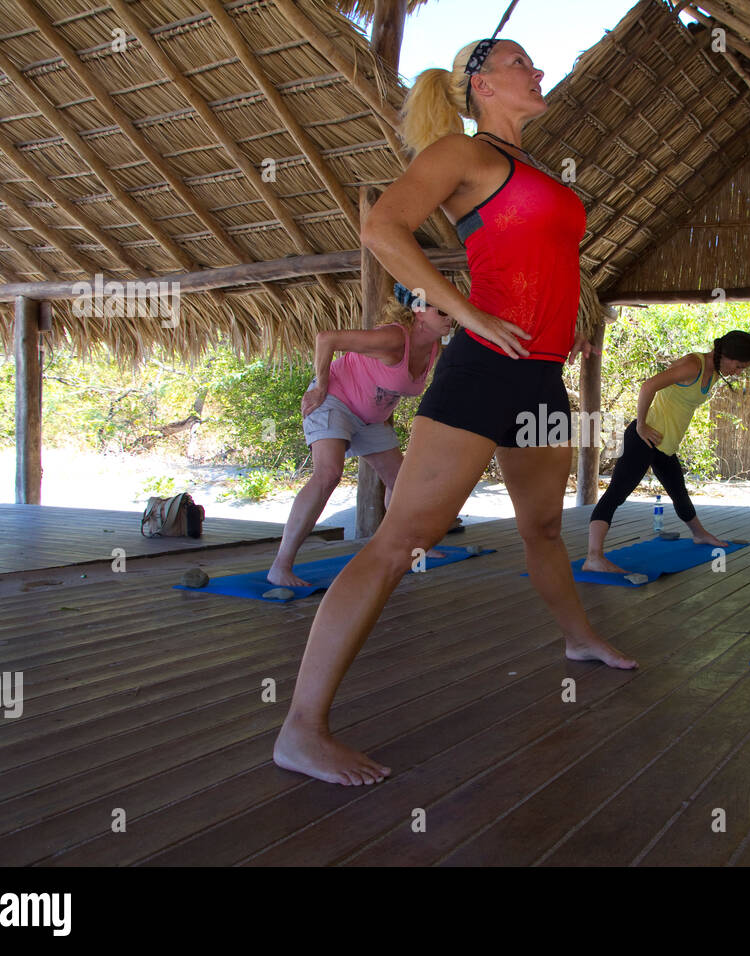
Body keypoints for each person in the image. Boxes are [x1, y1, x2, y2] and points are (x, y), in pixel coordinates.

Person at [273, 35, 636, 787]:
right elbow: (382, 229)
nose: (537, 70)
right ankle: (300, 729)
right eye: (518, 63)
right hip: (482, 370)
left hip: (539, 375)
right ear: (480, 85)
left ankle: (577, 638)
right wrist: (464, 313)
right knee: (402, 539)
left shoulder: (534, 169)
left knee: (543, 527)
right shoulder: (462, 154)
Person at [267, 284, 452, 587]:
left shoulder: (433, 346)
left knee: (402, 482)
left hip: (371, 418)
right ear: (419, 312)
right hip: (334, 401)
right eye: (442, 310)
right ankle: (281, 566)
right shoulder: (393, 338)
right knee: (328, 474)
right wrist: (320, 386)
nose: (450, 316)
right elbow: (326, 338)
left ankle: (410, 547)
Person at [584, 331, 750, 573]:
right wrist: (641, 425)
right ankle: (593, 557)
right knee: (617, 494)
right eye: (738, 366)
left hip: (664, 445)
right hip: (644, 439)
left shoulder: (714, 372)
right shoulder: (693, 366)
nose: (738, 372)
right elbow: (648, 386)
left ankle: (699, 534)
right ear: (726, 355)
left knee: (679, 491)